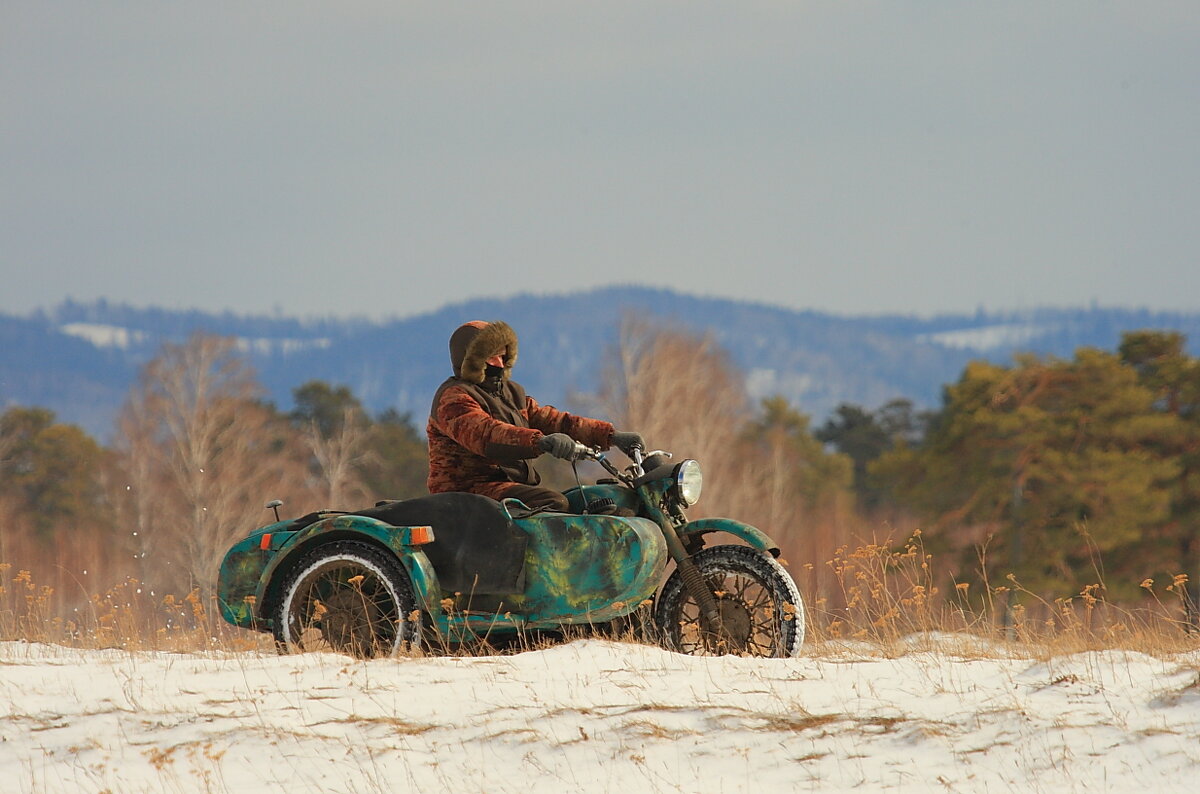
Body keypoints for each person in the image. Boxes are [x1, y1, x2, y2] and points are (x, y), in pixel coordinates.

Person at [426, 320, 644, 512]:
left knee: (589, 502)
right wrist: (540, 442)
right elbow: (486, 434)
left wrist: (610, 436)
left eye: (503, 356)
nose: (500, 365)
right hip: (467, 491)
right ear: (470, 360)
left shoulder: (511, 394)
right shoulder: (453, 398)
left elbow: (555, 420)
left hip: (504, 487)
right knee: (552, 503)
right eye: (492, 358)